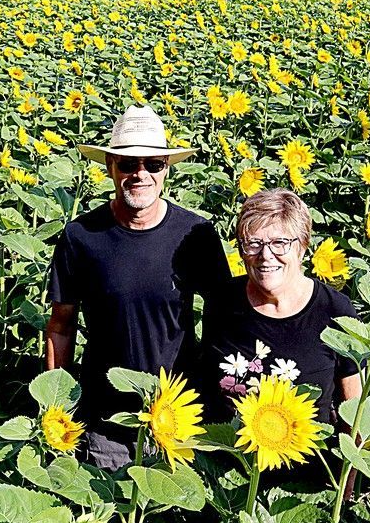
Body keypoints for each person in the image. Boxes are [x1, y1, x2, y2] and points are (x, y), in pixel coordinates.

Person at [46, 105, 231, 470]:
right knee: (106, 515)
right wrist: (56, 407)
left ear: (167, 168)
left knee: (174, 519)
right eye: (129, 165)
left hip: (177, 411)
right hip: (105, 418)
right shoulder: (81, 237)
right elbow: (60, 325)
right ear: (110, 167)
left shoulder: (195, 235)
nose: (140, 174)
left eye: (153, 164)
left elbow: (226, 317)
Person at [199, 188, 362, 481]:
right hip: (226, 479)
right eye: (253, 243)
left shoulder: (334, 310)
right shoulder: (222, 302)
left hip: (305, 482)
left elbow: (355, 413)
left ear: (303, 247)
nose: (265, 255)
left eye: (280, 243)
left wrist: (346, 490)